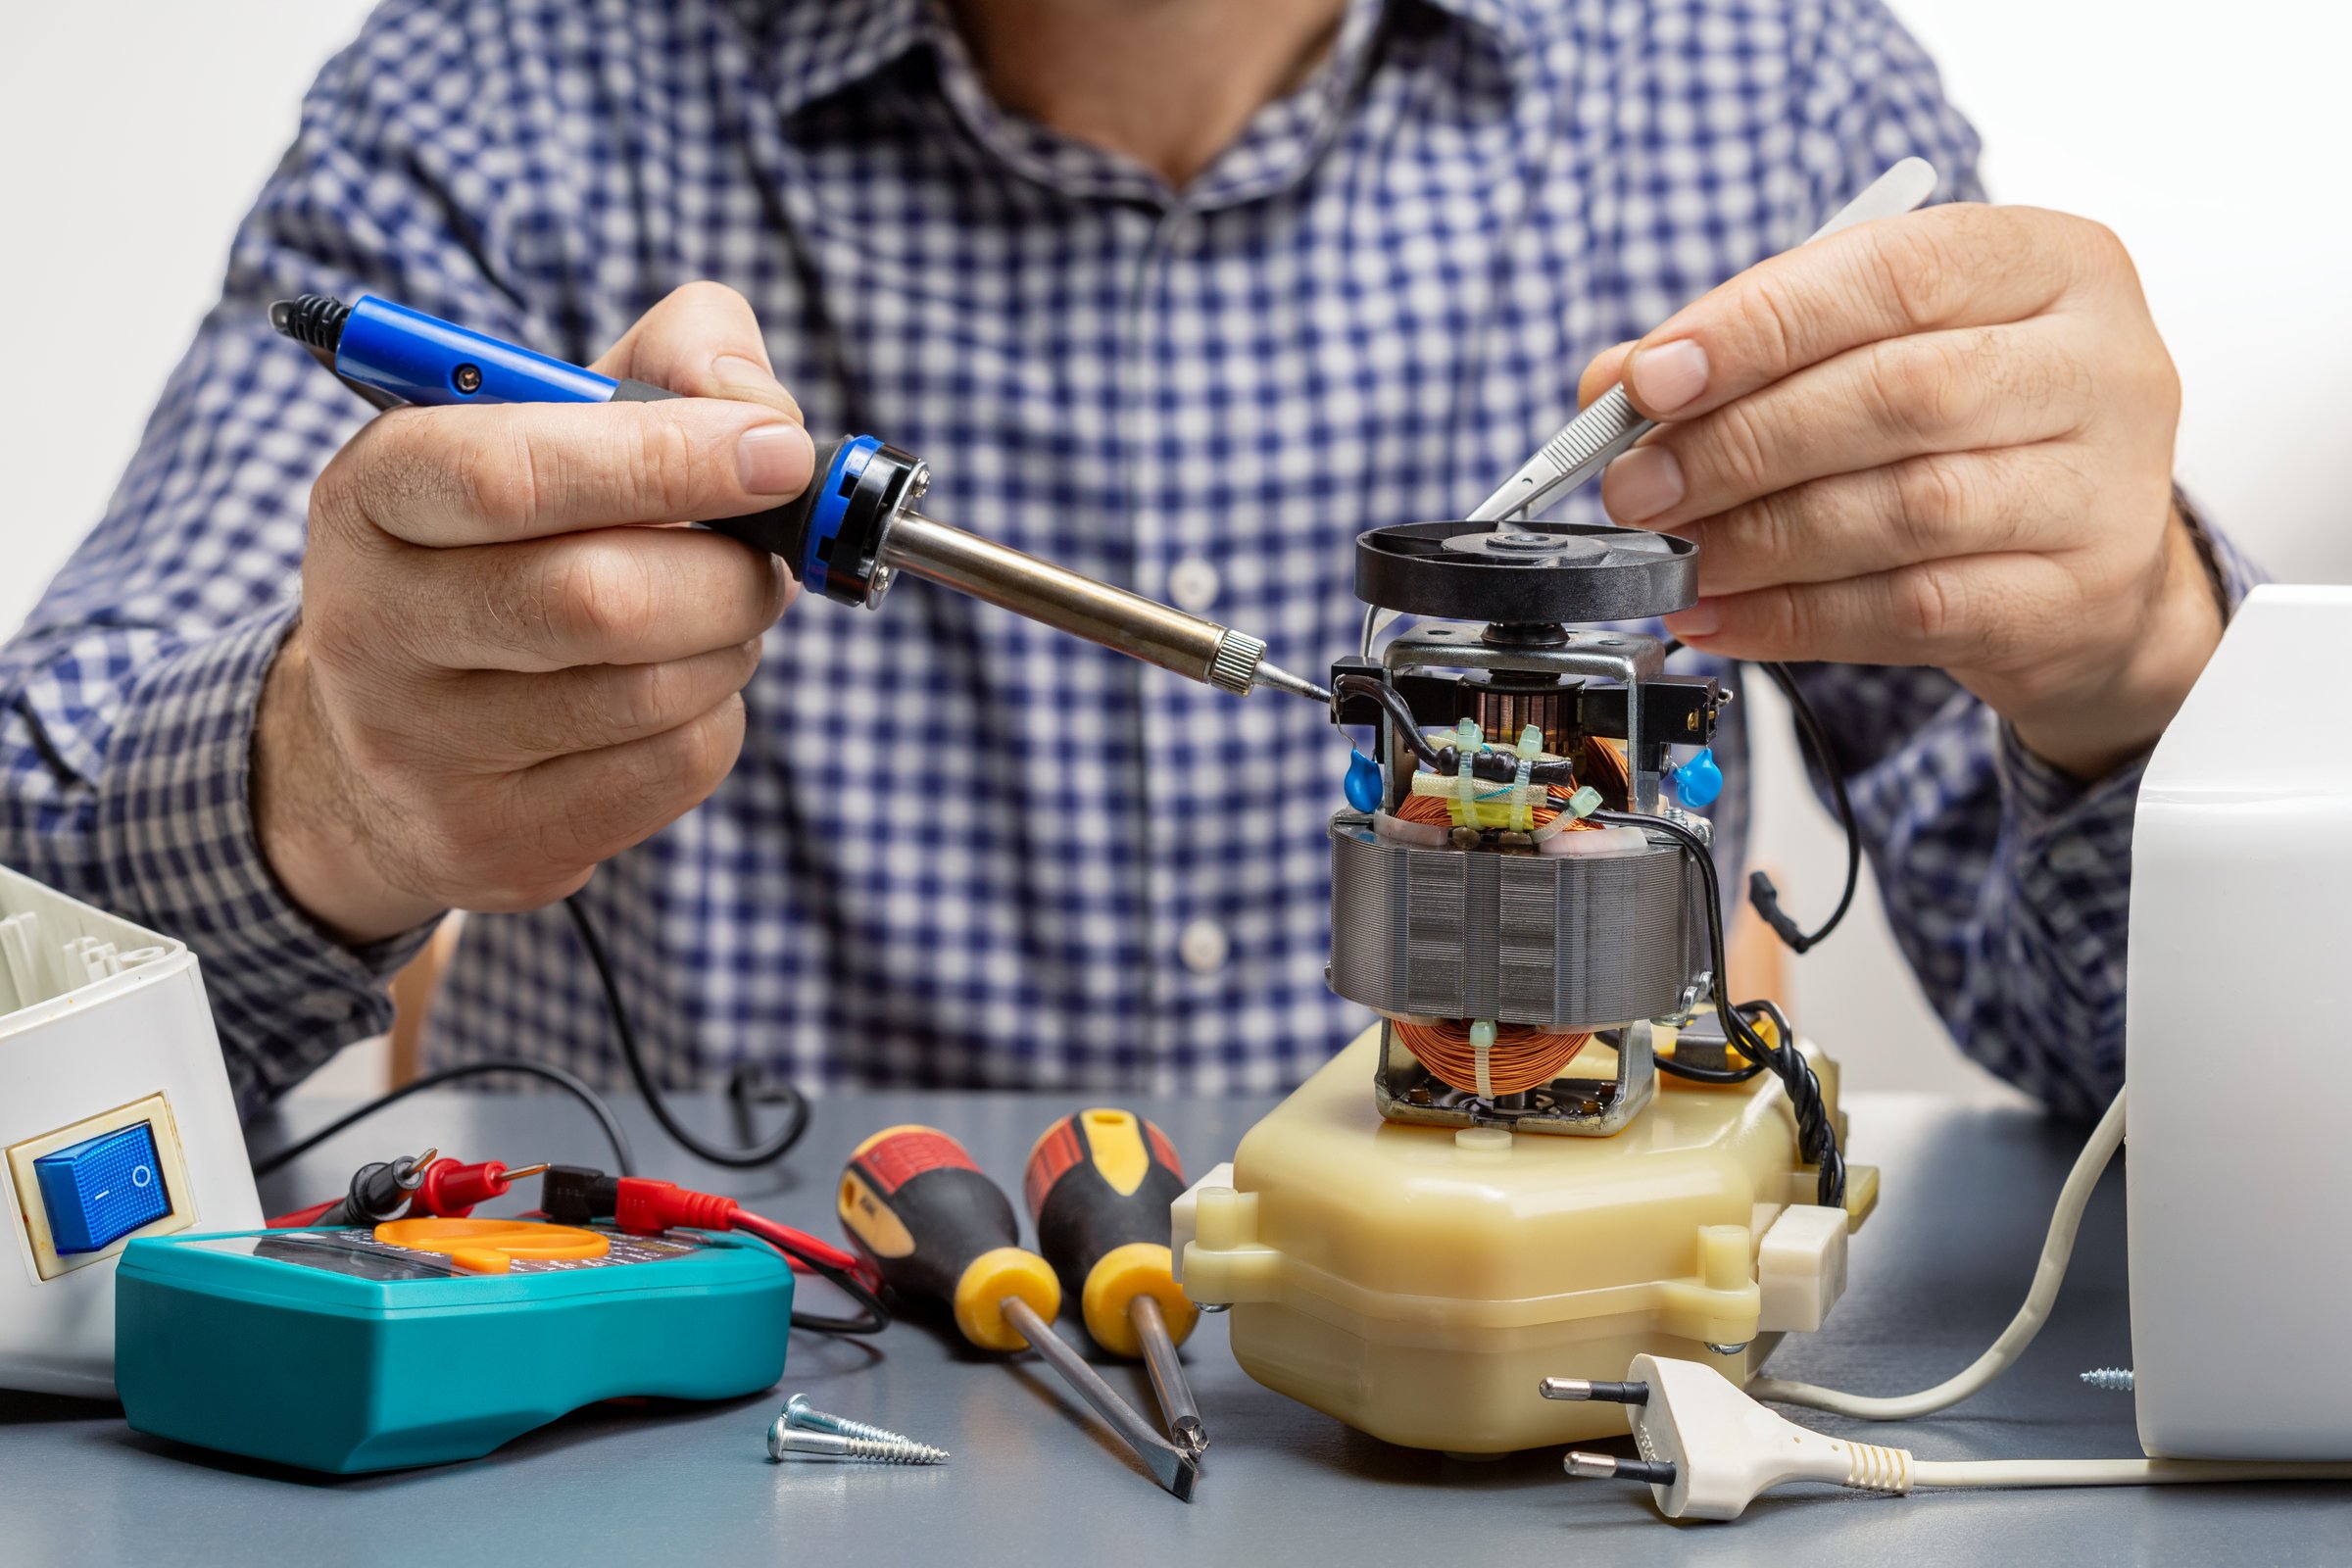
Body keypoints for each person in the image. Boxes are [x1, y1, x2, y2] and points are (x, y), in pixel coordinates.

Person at [0, 0, 2251, 1119]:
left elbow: (2156, 1073)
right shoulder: (502, 104)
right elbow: (38, 875)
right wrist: (331, 784)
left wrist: (2133, 659)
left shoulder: (1766, 100)